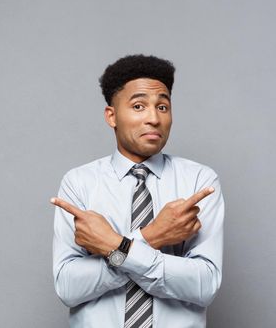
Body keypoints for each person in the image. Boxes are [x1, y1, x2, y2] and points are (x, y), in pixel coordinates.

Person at [51, 54, 225, 328]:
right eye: (139, 106)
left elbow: (204, 285)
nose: (154, 118)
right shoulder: (79, 183)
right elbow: (68, 288)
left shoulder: (199, 181)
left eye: (163, 107)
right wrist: (153, 235)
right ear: (112, 116)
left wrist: (114, 247)